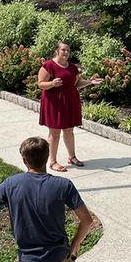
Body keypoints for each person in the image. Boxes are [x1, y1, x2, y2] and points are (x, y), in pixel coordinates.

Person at [37, 42, 101, 172]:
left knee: (69, 130)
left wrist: (90, 82)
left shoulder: (72, 67)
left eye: (68, 50)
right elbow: (41, 84)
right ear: (57, 51)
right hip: (54, 103)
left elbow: (76, 84)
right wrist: (52, 83)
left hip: (70, 101)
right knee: (54, 133)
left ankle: (72, 157)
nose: (66, 52)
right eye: (63, 50)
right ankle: (53, 161)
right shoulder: (48, 65)